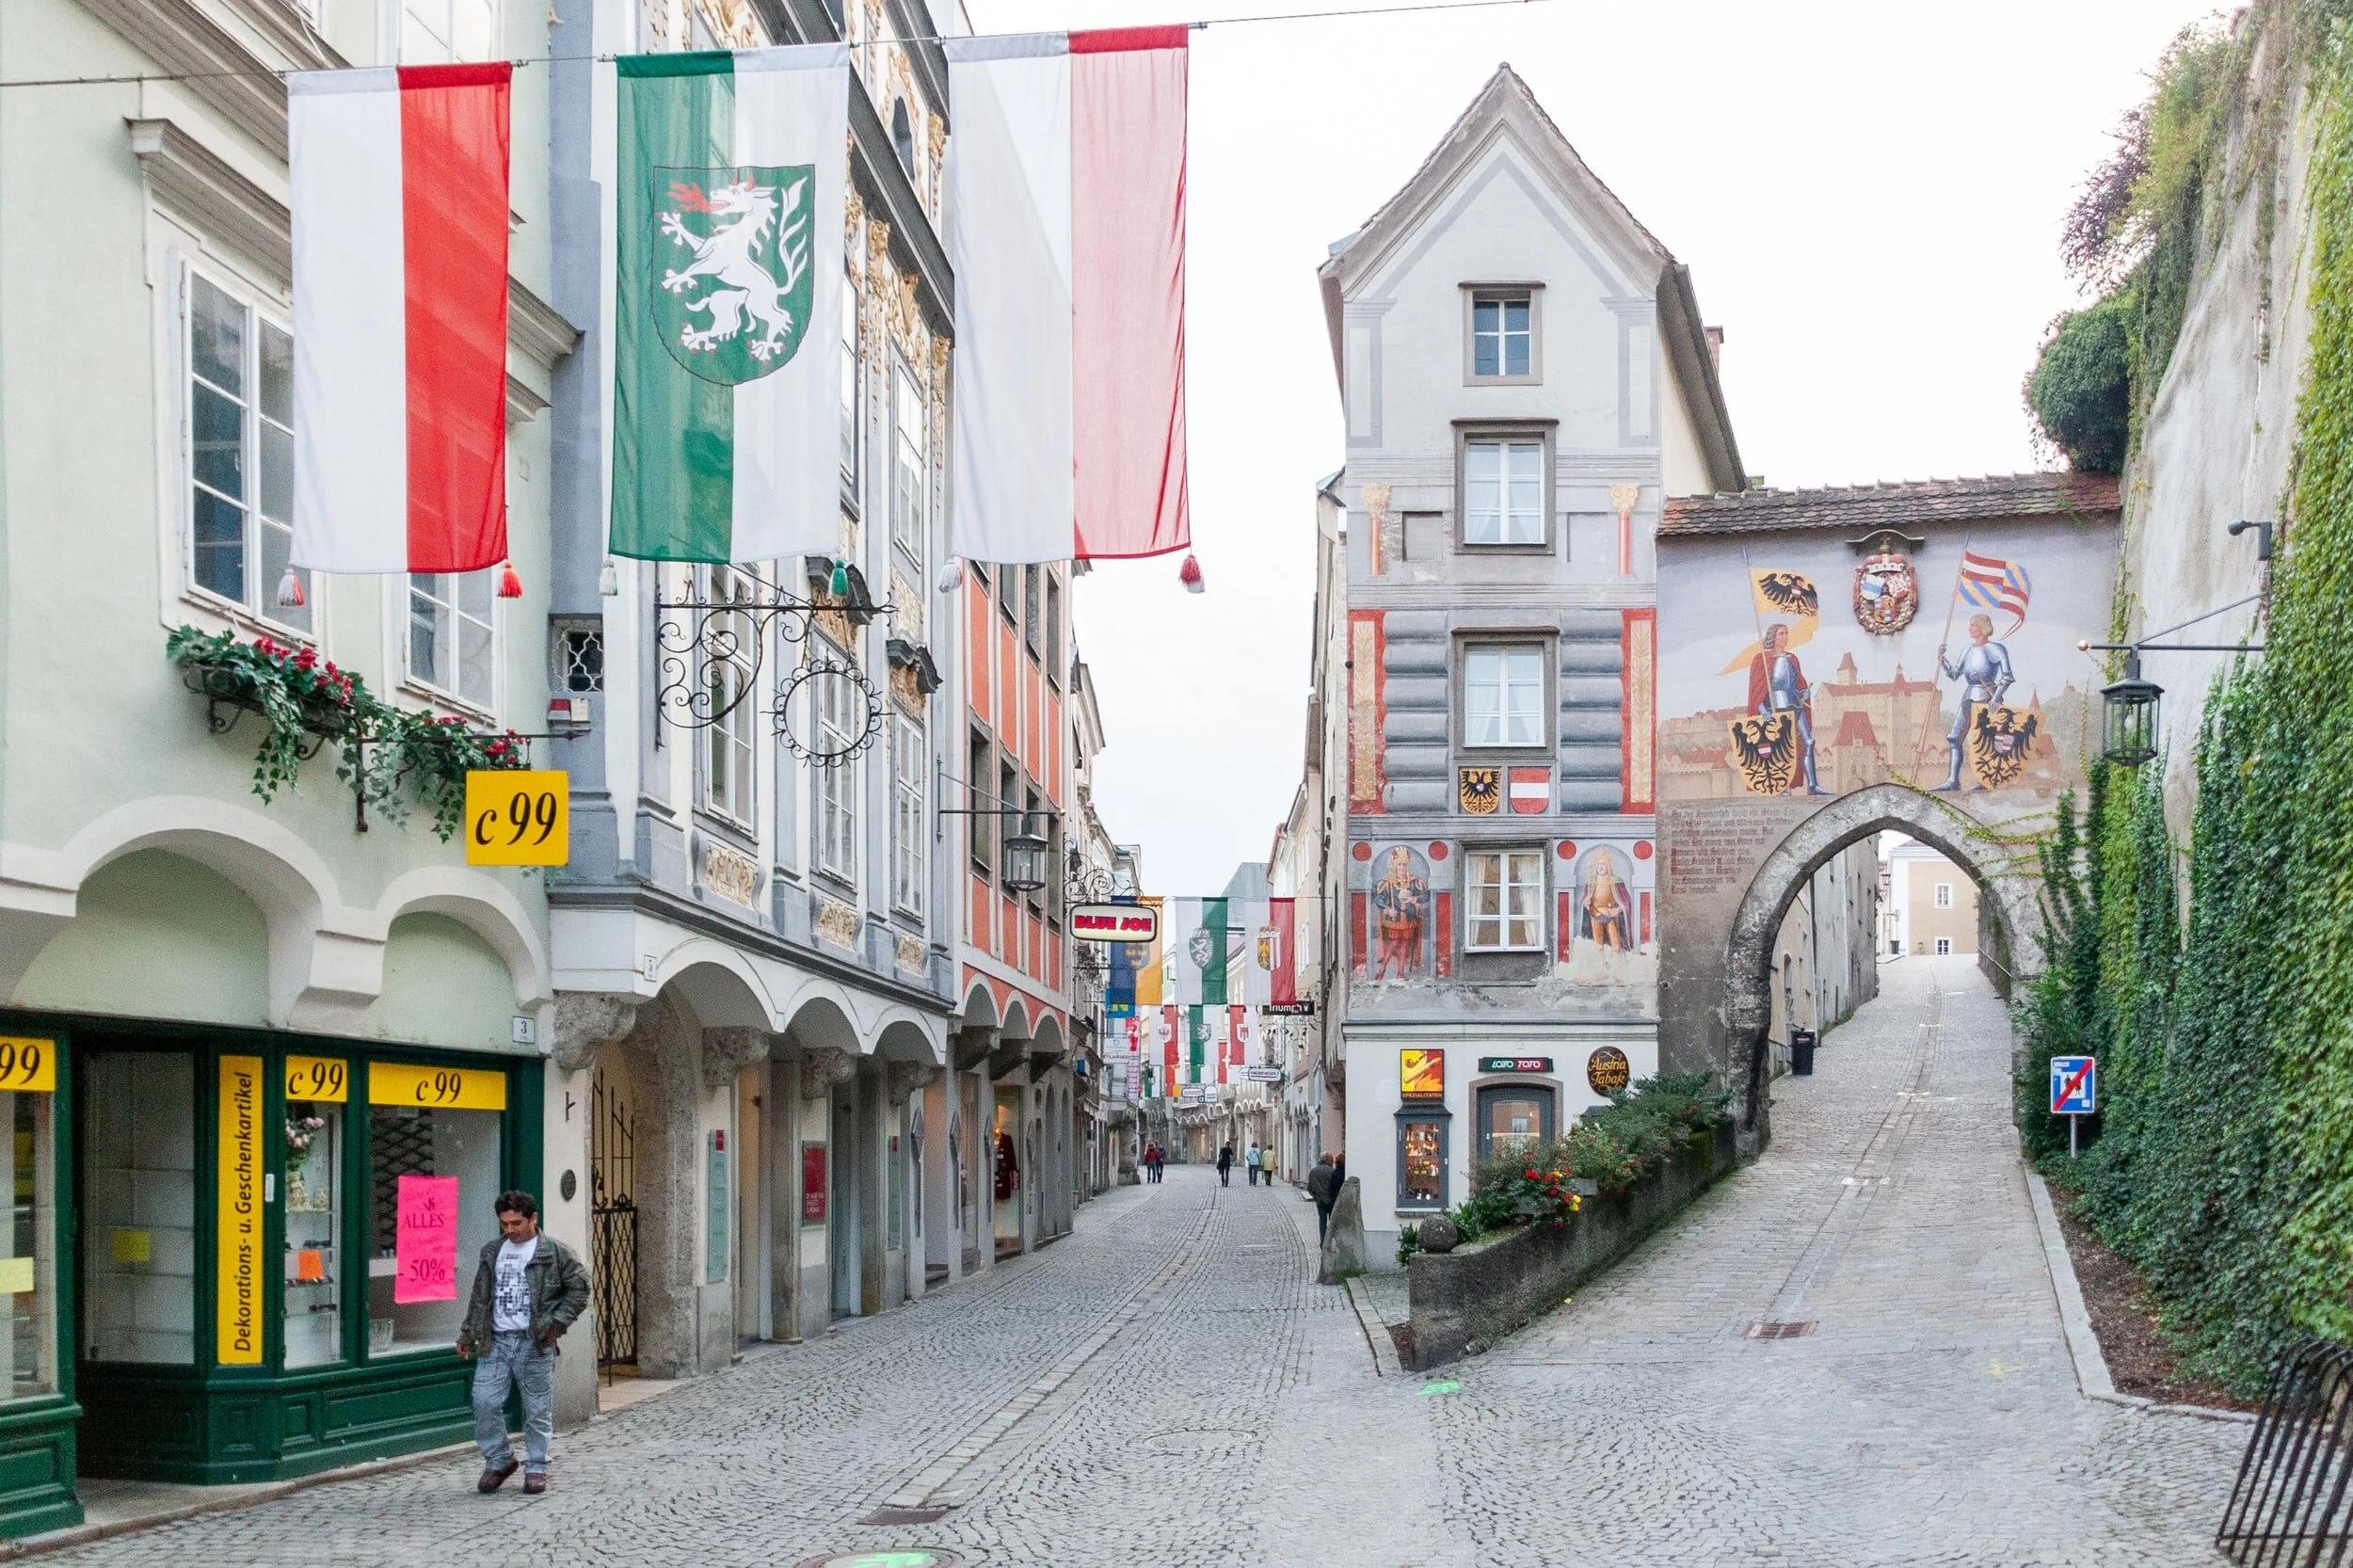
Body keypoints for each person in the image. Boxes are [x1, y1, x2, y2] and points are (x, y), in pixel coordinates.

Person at [456, 1191, 588, 1496]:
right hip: (495, 1340)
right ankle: (500, 1460)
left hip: (534, 1341)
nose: (510, 1230)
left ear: (533, 1219)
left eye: (516, 1223)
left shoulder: (554, 1252)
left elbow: (580, 1289)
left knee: (537, 1408)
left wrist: (557, 1324)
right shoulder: (492, 1251)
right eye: (504, 1224)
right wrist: (467, 1334)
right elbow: (479, 1297)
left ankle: (537, 1465)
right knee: (484, 1402)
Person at [1934, 613, 2016, 792]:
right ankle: (1952, 781)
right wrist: (1942, 660)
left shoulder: (1996, 649)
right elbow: (1954, 674)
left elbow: (2007, 677)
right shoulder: (1968, 650)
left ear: (1982, 627)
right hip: (1969, 695)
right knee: (1955, 738)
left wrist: (1995, 698)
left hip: (1988, 697)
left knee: (1987, 740)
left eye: (1973, 625)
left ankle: (1987, 780)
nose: (1969, 628)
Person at [1746, 621, 1828, 795]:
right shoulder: (1762, 659)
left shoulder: (1792, 658)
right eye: (1781, 633)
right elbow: (1757, 689)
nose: (1785, 637)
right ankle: (1782, 786)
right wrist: (1762, 709)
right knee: (1781, 745)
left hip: (1795, 703)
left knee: (1808, 742)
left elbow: (1795, 685)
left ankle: (1813, 785)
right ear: (1773, 637)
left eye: (1786, 633)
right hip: (1775, 706)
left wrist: (1803, 693)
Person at [1307, 1153, 1337, 1240]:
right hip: (1330, 1200)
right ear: (1328, 1160)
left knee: (1322, 1220)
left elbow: (1309, 1187)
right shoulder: (1331, 1171)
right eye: (1332, 1160)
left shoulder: (1313, 1171)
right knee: (1332, 1221)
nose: (1333, 1162)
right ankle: (1330, 1240)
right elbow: (1334, 1186)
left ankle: (1323, 1240)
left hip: (1320, 1200)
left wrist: (1315, 1196)